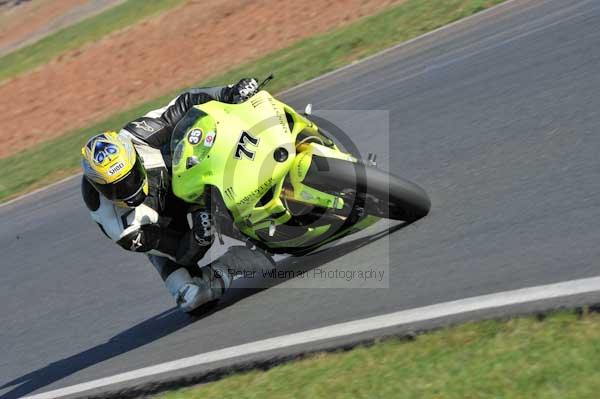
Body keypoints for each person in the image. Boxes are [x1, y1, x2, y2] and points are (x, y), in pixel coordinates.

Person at [81, 78, 272, 313]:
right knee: (195, 298)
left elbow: (183, 104)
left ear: (133, 157)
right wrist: (199, 237)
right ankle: (229, 266)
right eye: (115, 188)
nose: (127, 190)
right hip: (163, 221)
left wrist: (230, 91)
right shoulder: (122, 228)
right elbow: (180, 253)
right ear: (99, 187)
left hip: (185, 171)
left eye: (129, 178)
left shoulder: (135, 137)